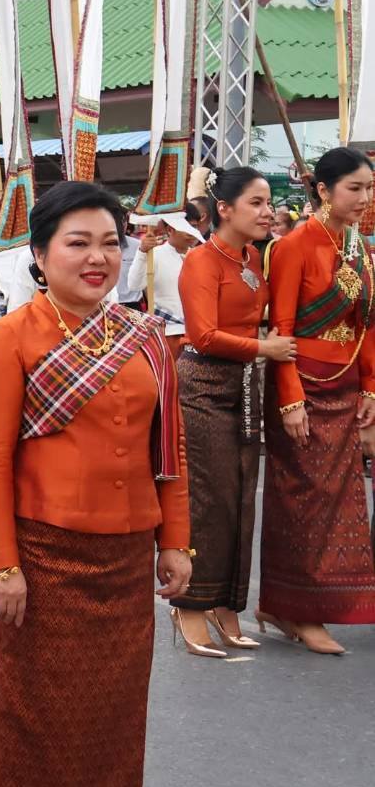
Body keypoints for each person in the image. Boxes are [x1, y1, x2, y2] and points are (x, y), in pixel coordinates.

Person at [0, 180, 191, 787]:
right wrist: (2, 564)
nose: (96, 258)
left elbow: (170, 451)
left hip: (125, 556)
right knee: (41, 714)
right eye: (76, 242)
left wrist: (175, 539)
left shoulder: (144, 336)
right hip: (43, 555)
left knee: (110, 719)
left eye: (108, 242)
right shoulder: (10, 338)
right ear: (38, 255)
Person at [169, 167, 295, 657]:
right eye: (257, 203)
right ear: (225, 208)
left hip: (243, 381)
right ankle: (190, 602)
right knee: (210, 498)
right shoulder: (201, 261)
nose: (268, 212)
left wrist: (260, 354)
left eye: (268, 203)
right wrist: (266, 349)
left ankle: (227, 603)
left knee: (243, 494)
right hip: (202, 384)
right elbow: (201, 336)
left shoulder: (252, 258)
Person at [260, 147, 375, 655]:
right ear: (323, 190)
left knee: (341, 504)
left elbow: (366, 325)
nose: (364, 198)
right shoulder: (294, 247)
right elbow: (281, 328)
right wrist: (289, 400)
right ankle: (294, 608)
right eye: (354, 188)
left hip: (347, 387)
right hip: (302, 388)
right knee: (300, 500)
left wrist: (370, 389)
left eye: (369, 189)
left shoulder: (361, 248)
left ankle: (303, 606)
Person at [126, 216, 197, 355]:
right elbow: (133, 285)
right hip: (168, 334)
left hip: (197, 334)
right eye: (186, 228)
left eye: (194, 227)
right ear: (170, 229)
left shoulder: (200, 257)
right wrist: (142, 252)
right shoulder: (155, 254)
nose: (192, 232)